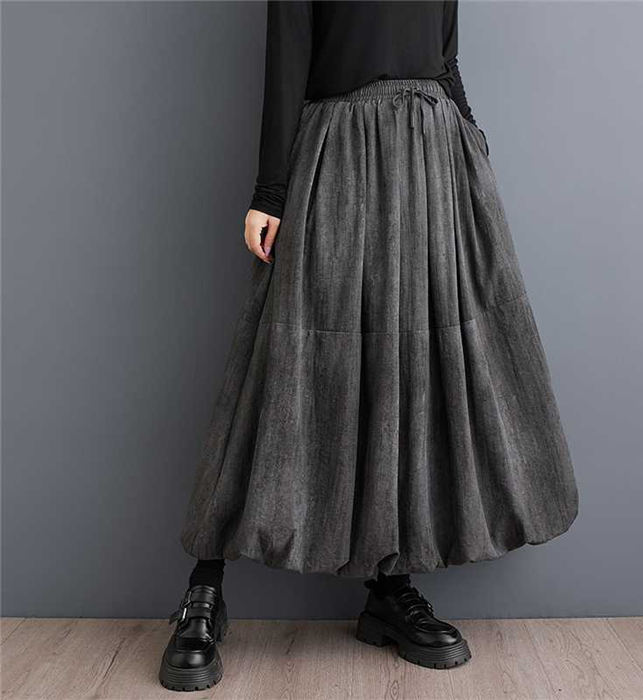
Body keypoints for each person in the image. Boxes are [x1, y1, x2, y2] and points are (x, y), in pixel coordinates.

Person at [158, 1, 579, 691]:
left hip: (434, 161)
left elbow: (445, 58)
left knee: (408, 371)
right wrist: (270, 189)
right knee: (286, 365)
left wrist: (471, 143)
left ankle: (390, 588)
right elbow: (287, 59)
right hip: (341, 149)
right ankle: (204, 588)